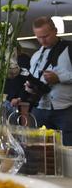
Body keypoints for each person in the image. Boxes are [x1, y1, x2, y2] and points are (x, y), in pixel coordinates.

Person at [25, 17, 72, 145]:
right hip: (39, 107)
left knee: (68, 149)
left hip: (65, 109)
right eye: (38, 37)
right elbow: (33, 78)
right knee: (40, 149)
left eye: (46, 36)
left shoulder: (69, 49)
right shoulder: (35, 56)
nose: (42, 40)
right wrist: (29, 87)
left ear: (55, 31)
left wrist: (59, 78)